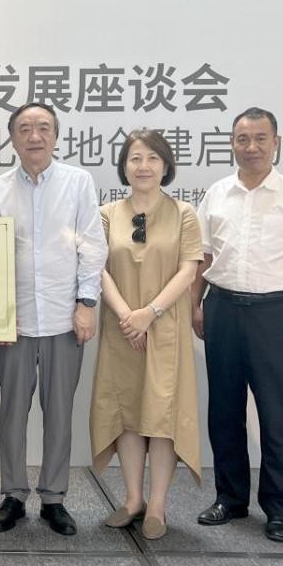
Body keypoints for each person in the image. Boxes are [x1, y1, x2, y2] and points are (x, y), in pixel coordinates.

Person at [190, 108, 283, 542]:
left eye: (260, 138)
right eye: (242, 139)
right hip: (222, 307)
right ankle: (230, 498)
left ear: (276, 142)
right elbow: (204, 258)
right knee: (224, 410)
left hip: (275, 313)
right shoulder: (217, 193)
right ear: (232, 143)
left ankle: (280, 508)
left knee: (276, 414)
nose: (251, 147)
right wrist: (195, 305)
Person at [0, 102, 107, 537]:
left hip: (64, 317)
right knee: (11, 414)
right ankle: (14, 495)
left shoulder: (78, 182)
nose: (34, 136)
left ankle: (54, 498)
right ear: (12, 138)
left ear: (55, 136)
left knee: (59, 414)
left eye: (43, 128)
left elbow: (92, 245)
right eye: (24, 129)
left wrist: (86, 303)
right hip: (13, 321)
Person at [90, 129, 202, 541]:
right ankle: (133, 499)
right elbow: (98, 268)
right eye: (135, 158)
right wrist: (127, 316)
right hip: (121, 329)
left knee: (161, 415)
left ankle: (157, 505)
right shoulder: (106, 214)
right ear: (124, 166)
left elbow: (188, 270)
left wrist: (149, 314)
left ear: (166, 165)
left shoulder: (184, 213)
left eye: (153, 158)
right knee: (128, 413)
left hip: (165, 328)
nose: (143, 166)